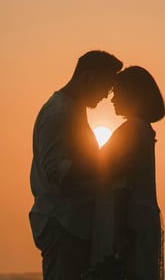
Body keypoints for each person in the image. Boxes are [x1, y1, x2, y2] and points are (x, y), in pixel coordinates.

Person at [30, 50, 124, 280]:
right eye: (106, 87)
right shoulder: (58, 112)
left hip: (74, 223)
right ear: (87, 77)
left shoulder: (72, 109)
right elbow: (55, 170)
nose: (106, 95)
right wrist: (109, 165)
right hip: (63, 223)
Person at [94, 66, 165, 280]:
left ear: (133, 94)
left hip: (128, 221)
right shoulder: (143, 128)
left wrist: (119, 231)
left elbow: (123, 184)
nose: (112, 99)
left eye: (117, 92)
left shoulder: (131, 130)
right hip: (141, 219)